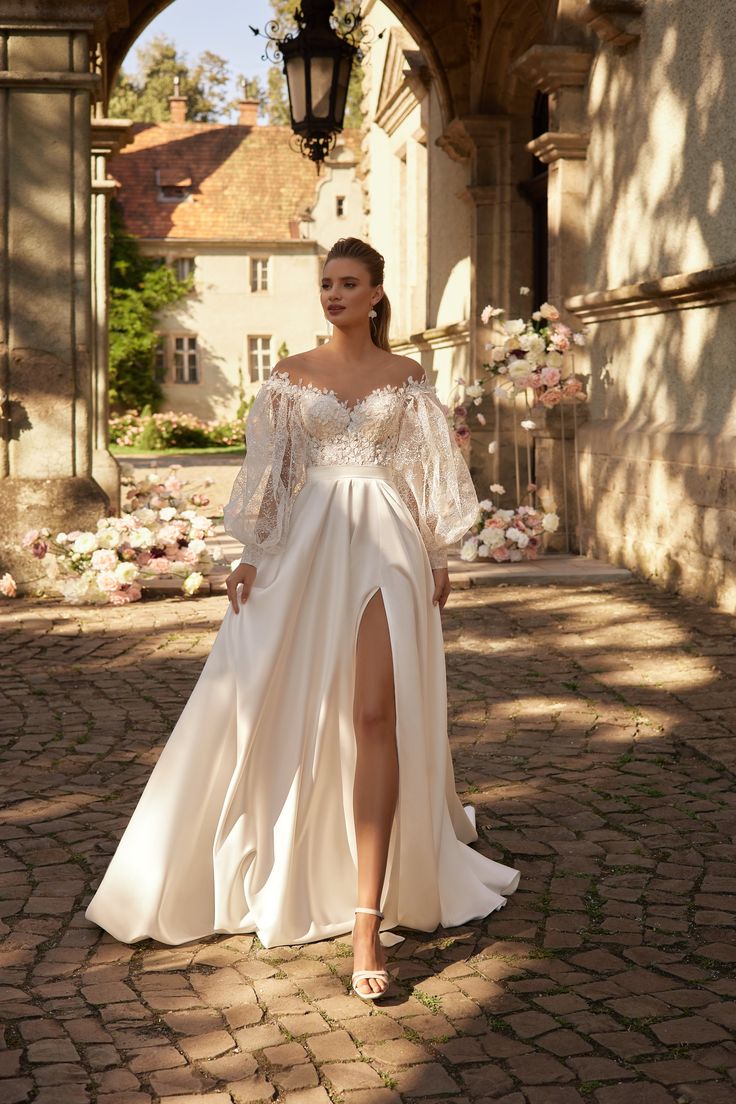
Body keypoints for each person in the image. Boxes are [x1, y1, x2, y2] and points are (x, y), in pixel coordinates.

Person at [85, 236, 520, 1002]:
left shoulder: (408, 378)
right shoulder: (289, 377)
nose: (334, 295)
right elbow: (275, 475)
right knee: (286, 706)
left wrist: (439, 555)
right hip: (307, 550)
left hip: (387, 546)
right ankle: (289, 856)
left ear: (377, 294)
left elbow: (428, 474)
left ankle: (365, 922)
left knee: (378, 715)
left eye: (348, 283)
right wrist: (250, 553)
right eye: (326, 283)